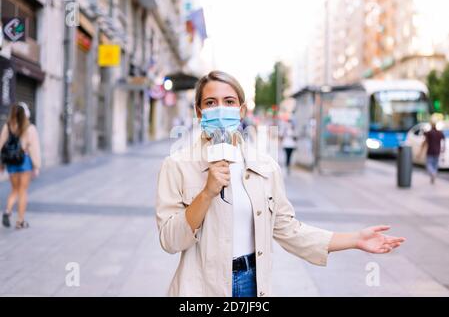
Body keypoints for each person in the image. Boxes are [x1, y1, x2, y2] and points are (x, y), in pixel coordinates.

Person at [156, 71, 406, 297]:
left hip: (251, 283)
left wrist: (354, 239)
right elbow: (170, 240)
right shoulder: (177, 165)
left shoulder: (265, 166)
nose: (220, 109)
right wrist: (207, 193)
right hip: (199, 288)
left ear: (241, 110)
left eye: (229, 102)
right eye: (211, 103)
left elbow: (288, 230)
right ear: (199, 112)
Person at [0, 102, 41, 229]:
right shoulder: (30, 128)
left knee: (14, 189)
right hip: (24, 162)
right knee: (22, 191)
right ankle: (20, 221)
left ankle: (7, 210)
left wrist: (1, 163)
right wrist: (37, 165)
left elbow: (1, 145)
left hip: (11, 163)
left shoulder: (8, 126)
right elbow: (34, 149)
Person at [420, 119, 445, 184]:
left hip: (430, 151)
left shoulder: (429, 133)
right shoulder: (439, 133)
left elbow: (425, 141)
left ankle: (433, 173)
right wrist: (443, 149)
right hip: (437, 151)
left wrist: (420, 151)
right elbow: (444, 140)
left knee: (429, 165)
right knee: (435, 165)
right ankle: (433, 175)